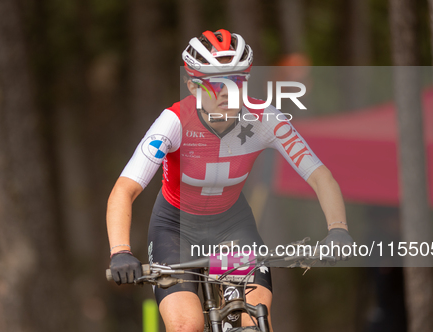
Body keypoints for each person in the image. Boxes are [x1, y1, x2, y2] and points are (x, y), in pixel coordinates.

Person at [107, 29, 354, 332]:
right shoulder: (173, 122)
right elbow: (124, 189)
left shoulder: (265, 118)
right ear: (193, 86)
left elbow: (319, 175)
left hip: (231, 229)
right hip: (175, 230)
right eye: (214, 84)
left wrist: (338, 230)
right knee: (187, 326)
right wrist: (120, 251)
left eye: (236, 82)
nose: (227, 92)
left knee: (254, 318)